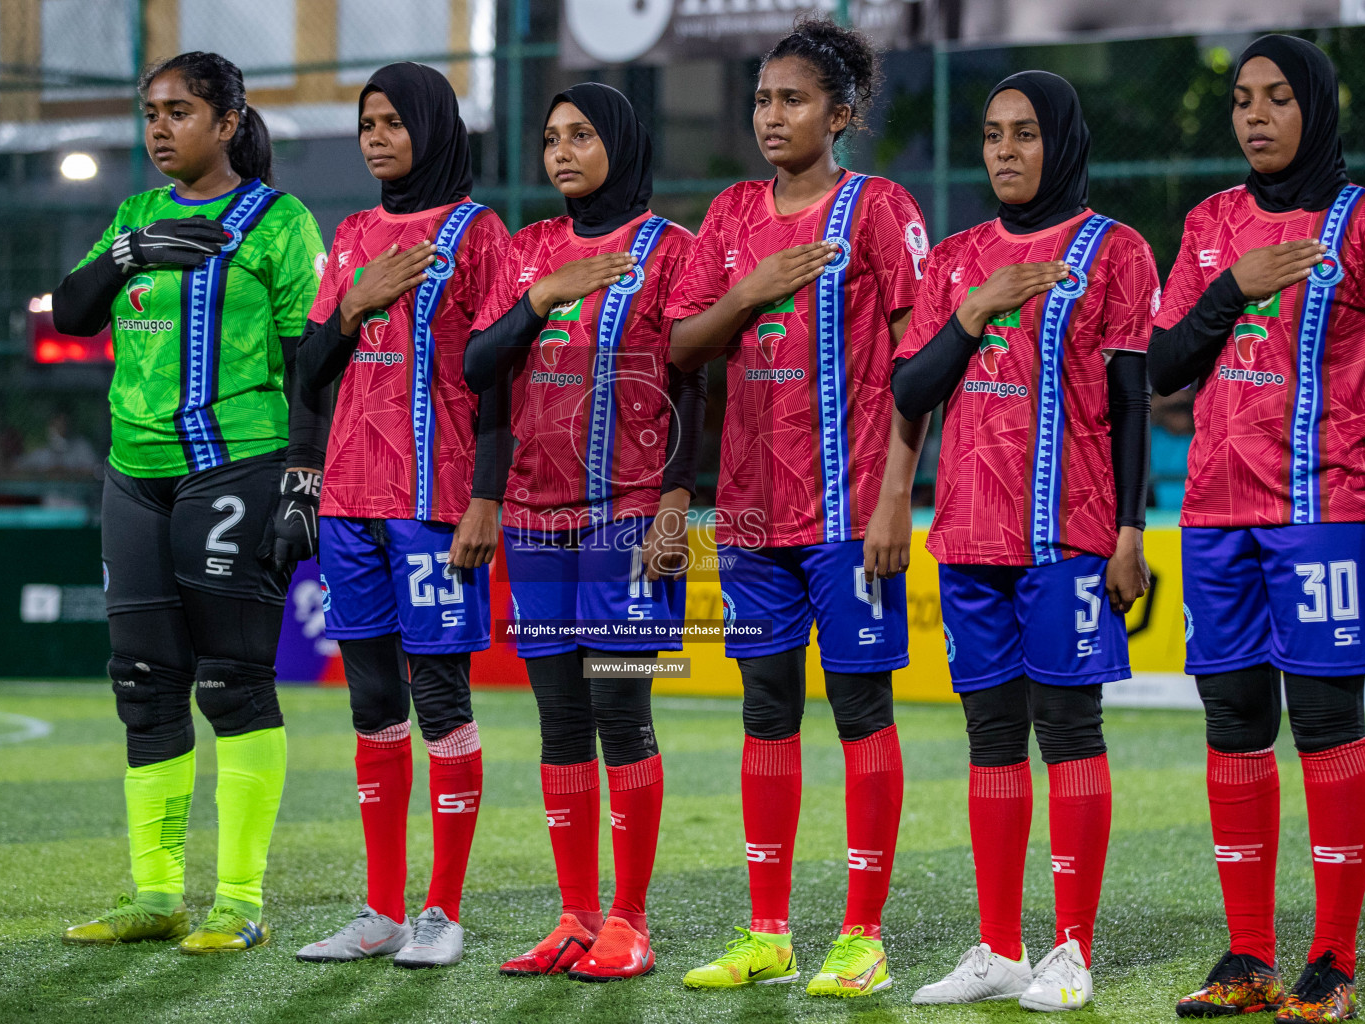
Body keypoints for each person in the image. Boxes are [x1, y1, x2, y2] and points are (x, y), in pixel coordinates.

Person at [662, 16, 926, 998]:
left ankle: (863, 934)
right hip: (751, 513)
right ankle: (766, 930)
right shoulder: (731, 216)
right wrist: (751, 293)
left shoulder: (880, 209)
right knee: (765, 711)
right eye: (763, 98)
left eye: (794, 99)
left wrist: (897, 498)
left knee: (861, 708)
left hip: (851, 509)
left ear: (843, 112)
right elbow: (684, 344)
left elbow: (918, 364)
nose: (772, 115)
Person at [51, 51, 327, 954]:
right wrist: (126, 252)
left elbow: (310, 363)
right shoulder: (135, 215)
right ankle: (156, 894)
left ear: (228, 122)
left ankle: (239, 901)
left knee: (232, 682)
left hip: (234, 467)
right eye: (150, 113)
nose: (159, 128)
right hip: (134, 474)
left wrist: (302, 479)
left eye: (179, 112)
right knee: (143, 684)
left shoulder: (279, 224)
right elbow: (71, 313)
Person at [889, 71, 1154, 1012]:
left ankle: (1071, 951)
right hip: (966, 536)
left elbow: (1130, 402)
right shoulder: (954, 258)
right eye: (993, 133)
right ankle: (1000, 948)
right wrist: (973, 311)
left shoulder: (1114, 252)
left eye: (1025, 134)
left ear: (1062, 143)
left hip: (1070, 539)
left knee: (1069, 733)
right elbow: (911, 391)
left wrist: (1131, 527)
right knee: (991, 739)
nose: (1004, 149)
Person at [1150, 36, 1365, 1023]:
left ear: (1318, 109)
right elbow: (1166, 364)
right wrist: (1232, 287)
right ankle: (1247, 956)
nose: (1254, 115)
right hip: (1214, 516)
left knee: (1326, 724)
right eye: (1244, 99)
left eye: (1278, 98)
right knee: (1235, 723)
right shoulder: (1212, 223)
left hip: (1322, 516)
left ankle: (1331, 964)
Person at [464, 82, 703, 982]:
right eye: (552, 136)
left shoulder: (671, 251)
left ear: (623, 143)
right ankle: (573, 917)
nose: (561, 151)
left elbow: (692, 383)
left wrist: (679, 500)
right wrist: (542, 297)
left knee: (619, 708)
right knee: (558, 716)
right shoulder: (527, 251)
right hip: (534, 514)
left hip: (632, 513)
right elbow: (479, 365)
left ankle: (629, 922)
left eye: (582, 136)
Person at [290, 62, 509, 971]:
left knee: (440, 699)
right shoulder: (349, 236)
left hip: (435, 506)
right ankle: (381, 909)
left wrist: (486, 497)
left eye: (393, 121)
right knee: (372, 703)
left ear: (434, 126)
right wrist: (355, 303)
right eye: (366, 122)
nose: (376, 136)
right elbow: (308, 367)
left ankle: (441, 912)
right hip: (350, 503)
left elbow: (500, 375)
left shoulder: (479, 233)